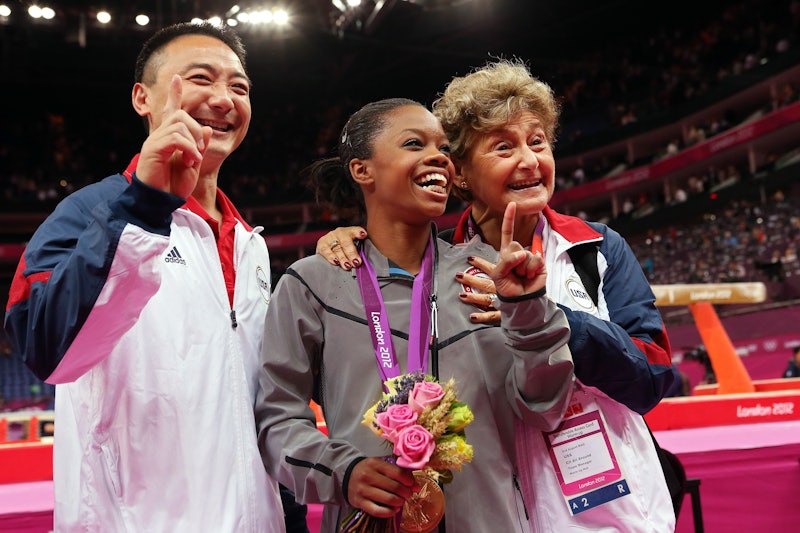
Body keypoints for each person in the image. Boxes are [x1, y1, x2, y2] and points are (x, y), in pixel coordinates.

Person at [317, 59, 676, 531]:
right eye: (503, 147)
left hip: (611, 515)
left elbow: (653, 379)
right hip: (491, 515)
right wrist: (351, 244)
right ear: (460, 174)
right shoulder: (434, 270)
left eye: (538, 141)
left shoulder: (596, 250)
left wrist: (547, 316)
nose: (529, 160)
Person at [2, 22, 288, 532]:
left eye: (239, 87)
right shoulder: (85, 213)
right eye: (201, 78)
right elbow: (48, 352)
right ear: (142, 98)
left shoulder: (252, 243)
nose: (224, 99)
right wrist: (145, 208)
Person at [255, 98, 574, 533]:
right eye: (413, 143)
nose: (439, 156)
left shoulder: (487, 272)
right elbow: (277, 418)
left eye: (443, 147)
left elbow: (545, 409)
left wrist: (528, 311)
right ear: (362, 170)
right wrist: (341, 471)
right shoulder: (311, 283)